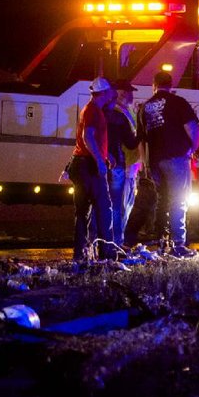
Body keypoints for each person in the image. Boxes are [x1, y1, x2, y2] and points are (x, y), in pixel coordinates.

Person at [137, 71, 199, 258]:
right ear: (171, 85)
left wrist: (145, 163)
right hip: (176, 158)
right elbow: (192, 129)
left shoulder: (144, 107)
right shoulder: (178, 102)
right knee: (178, 201)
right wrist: (191, 149)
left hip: (155, 161)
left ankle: (161, 240)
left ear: (154, 85)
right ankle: (178, 244)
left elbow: (141, 140)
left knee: (162, 201)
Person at [68, 77, 120, 261]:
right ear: (104, 93)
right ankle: (107, 254)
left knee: (82, 212)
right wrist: (99, 160)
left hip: (80, 164)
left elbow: (92, 139)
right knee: (104, 209)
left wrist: (106, 155)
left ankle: (80, 254)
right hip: (88, 166)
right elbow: (88, 136)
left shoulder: (90, 109)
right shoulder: (94, 111)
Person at [104, 79, 140, 247]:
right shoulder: (118, 113)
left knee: (124, 205)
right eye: (127, 91)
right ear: (119, 93)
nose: (130, 95)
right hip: (123, 167)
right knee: (121, 206)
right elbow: (131, 141)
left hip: (129, 166)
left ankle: (116, 242)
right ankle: (115, 243)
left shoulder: (126, 111)